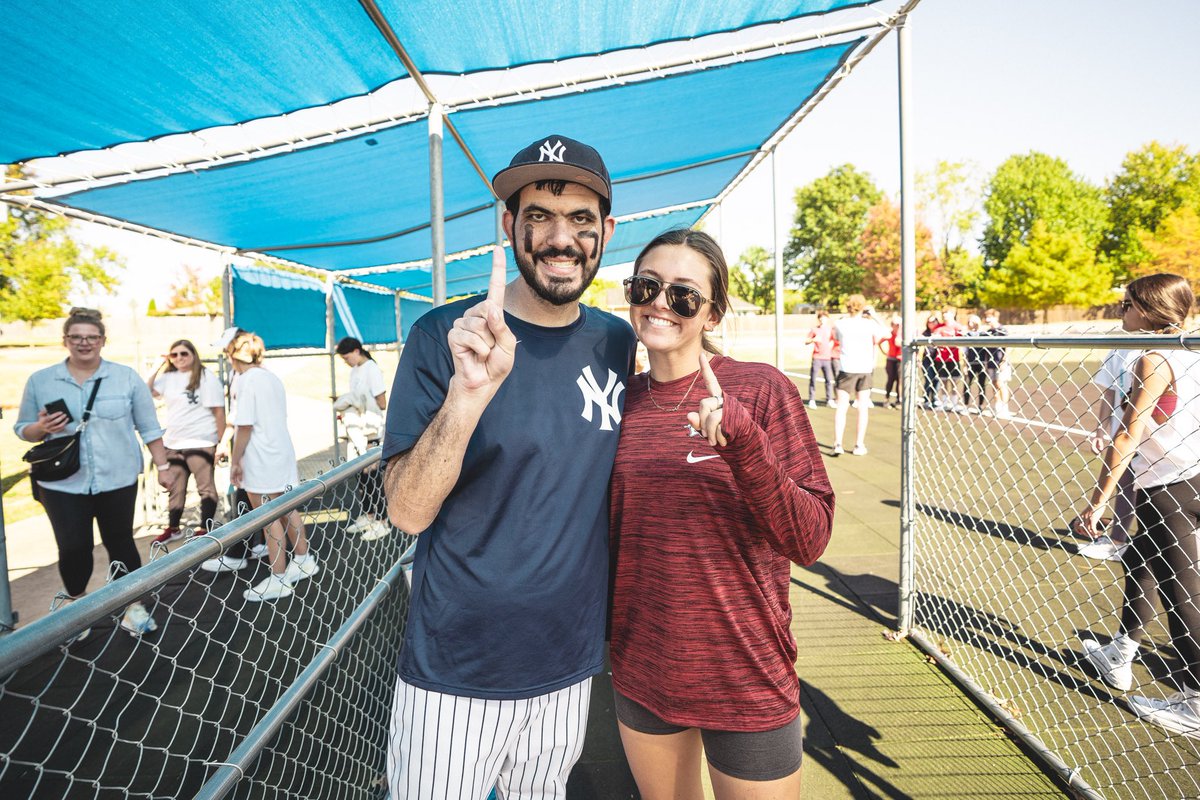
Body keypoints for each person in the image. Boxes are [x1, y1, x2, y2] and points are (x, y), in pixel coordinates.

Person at [380, 135, 637, 800]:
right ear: (507, 226)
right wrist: (467, 397)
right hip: (456, 666)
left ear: (606, 231)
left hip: (569, 661)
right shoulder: (444, 337)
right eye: (539, 217)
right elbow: (406, 512)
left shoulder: (618, 342)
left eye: (581, 219)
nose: (561, 239)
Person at [609, 229, 835, 799]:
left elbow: (810, 539)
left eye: (684, 294)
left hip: (745, 669)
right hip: (644, 668)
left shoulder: (760, 389)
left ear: (713, 313)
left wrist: (744, 444)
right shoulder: (619, 401)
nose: (661, 302)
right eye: (647, 285)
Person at [1073, 274, 1200, 738]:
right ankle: (1121, 651)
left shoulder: (1154, 357)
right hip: (1184, 476)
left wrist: (1097, 503)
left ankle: (1196, 700)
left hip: (1170, 486)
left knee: (1181, 592)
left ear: (1146, 310)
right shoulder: (1192, 346)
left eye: (1126, 304)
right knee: (1141, 563)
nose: (1120, 311)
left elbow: (1128, 434)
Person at [15, 307, 174, 637]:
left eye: (91, 337)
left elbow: (149, 426)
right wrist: (40, 427)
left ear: (103, 340)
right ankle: (77, 608)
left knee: (121, 543)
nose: (84, 343)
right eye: (76, 337)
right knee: (73, 547)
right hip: (62, 483)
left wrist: (163, 466)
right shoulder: (40, 380)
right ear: (65, 340)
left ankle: (132, 606)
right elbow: (22, 429)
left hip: (117, 478)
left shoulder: (125, 377)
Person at [225, 331, 317, 602]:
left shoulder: (245, 380)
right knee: (288, 508)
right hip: (280, 451)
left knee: (267, 516)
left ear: (232, 355)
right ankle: (303, 559)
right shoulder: (271, 377)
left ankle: (278, 578)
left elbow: (244, 425)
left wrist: (235, 460)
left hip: (260, 455)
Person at [146, 339, 225, 544]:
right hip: (173, 441)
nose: (179, 358)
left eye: (184, 354)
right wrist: (157, 366)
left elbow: (218, 411)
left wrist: (220, 441)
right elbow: (144, 393)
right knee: (175, 487)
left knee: (205, 488)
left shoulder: (205, 376)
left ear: (193, 355)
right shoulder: (168, 377)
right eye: (174, 355)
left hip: (201, 440)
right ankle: (173, 528)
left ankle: (204, 528)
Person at [1076, 349, 1139, 561]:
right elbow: (1111, 392)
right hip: (1122, 432)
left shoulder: (1163, 349)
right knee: (1125, 482)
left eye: (1126, 311)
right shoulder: (1118, 350)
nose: (1121, 314)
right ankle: (1118, 541)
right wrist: (1102, 429)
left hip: (1153, 434)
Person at [334, 336, 391, 542]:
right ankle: (369, 515)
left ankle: (383, 521)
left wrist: (360, 403)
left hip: (372, 429)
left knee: (373, 474)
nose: (346, 361)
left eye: (347, 357)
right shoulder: (355, 371)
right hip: (358, 429)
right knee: (362, 475)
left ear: (357, 351)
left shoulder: (371, 369)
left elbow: (382, 402)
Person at [831, 294, 885, 456]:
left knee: (841, 407)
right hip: (864, 369)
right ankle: (858, 445)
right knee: (862, 408)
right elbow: (887, 334)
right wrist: (874, 316)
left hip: (846, 368)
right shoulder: (869, 324)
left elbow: (836, 338)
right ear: (863, 307)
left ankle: (838, 443)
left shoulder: (840, 323)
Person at [983, 308, 1012, 418]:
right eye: (986, 317)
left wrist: (1004, 361)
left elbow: (1007, 346)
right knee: (994, 384)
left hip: (1001, 361)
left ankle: (1005, 408)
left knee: (1001, 383)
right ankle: (997, 407)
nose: (987, 319)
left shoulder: (1002, 330)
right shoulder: (988, 333)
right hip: (991, 362)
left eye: (989, 317)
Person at [806, 310, 837, 408]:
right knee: (813, 379)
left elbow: (836, 340)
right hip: (817, 358)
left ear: (827, 319)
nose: (822, 319)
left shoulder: (830, 329)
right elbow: (806, 341)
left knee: (829, 380)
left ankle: (830, 399)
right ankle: (812, 399)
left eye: (824, 317)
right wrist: (813, 340)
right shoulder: (814, 329)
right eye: (821, 318)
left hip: (827, 358)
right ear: (818, 319)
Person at [960, 314, 988, 414]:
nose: (971, 324)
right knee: (967, 384)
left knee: (982, 384)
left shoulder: (984, 334)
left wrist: (986, 363)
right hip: (970, 362)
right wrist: (964, 365)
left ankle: (980, 406)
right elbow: (964, 351)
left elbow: (987, 350)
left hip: (982, 363)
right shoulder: (967, 335)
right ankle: (966, 406)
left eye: (973, 321)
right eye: (969, 322)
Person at [881, 313, 902, 408]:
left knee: (900, 380)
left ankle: (899, 400)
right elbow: (880, 341)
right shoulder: (889, 334)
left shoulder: (902, 335)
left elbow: (899, 343)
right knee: (891, 379)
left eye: (898, 324)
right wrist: (885, 352)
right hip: (891, 359)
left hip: (900, 359)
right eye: (895, 324)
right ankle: (886, 398)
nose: (896, 326)